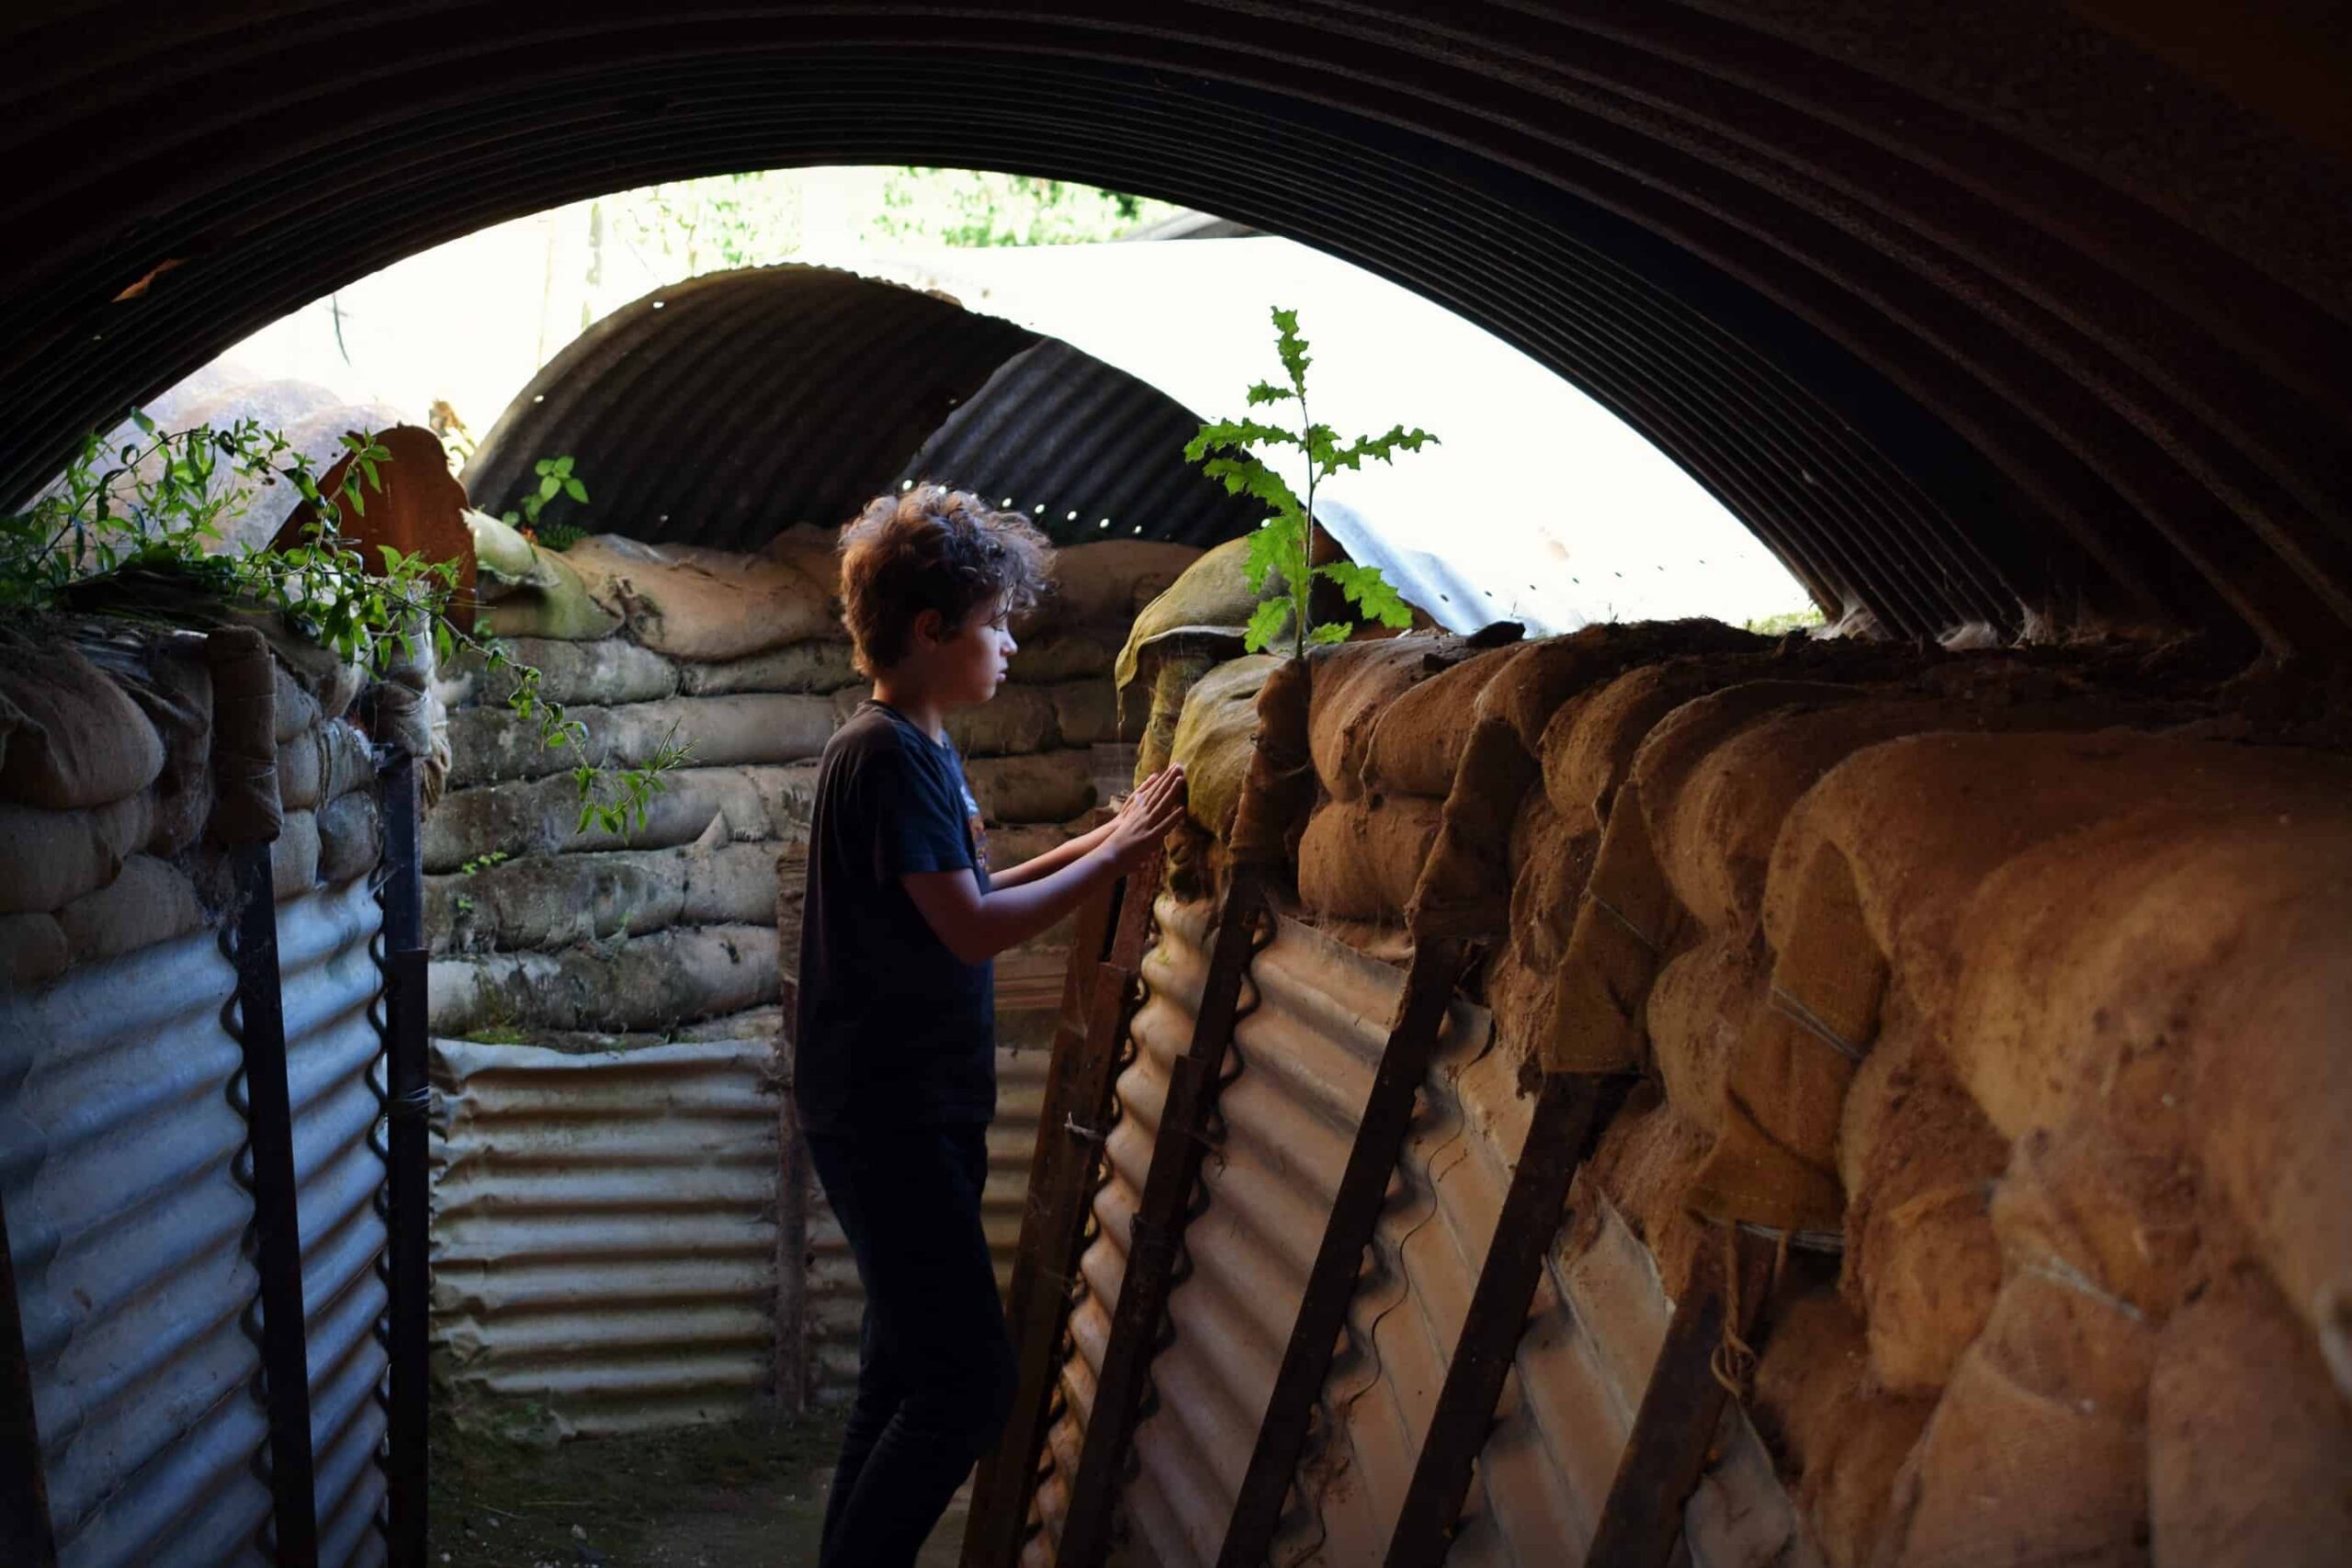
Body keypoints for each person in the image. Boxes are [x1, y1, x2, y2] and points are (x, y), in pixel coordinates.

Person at [796, 485, 1187, 1567]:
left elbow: (964, 889)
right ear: (932, 630)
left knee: (902, 1371)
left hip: (905, 1105)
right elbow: (971, 929)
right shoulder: (885, 758)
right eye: (994, 624)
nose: (1009, 644)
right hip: (889, 1116)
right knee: (968, 1387)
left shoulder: (905, 747)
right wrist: (1110, 860)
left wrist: (1100, 836)